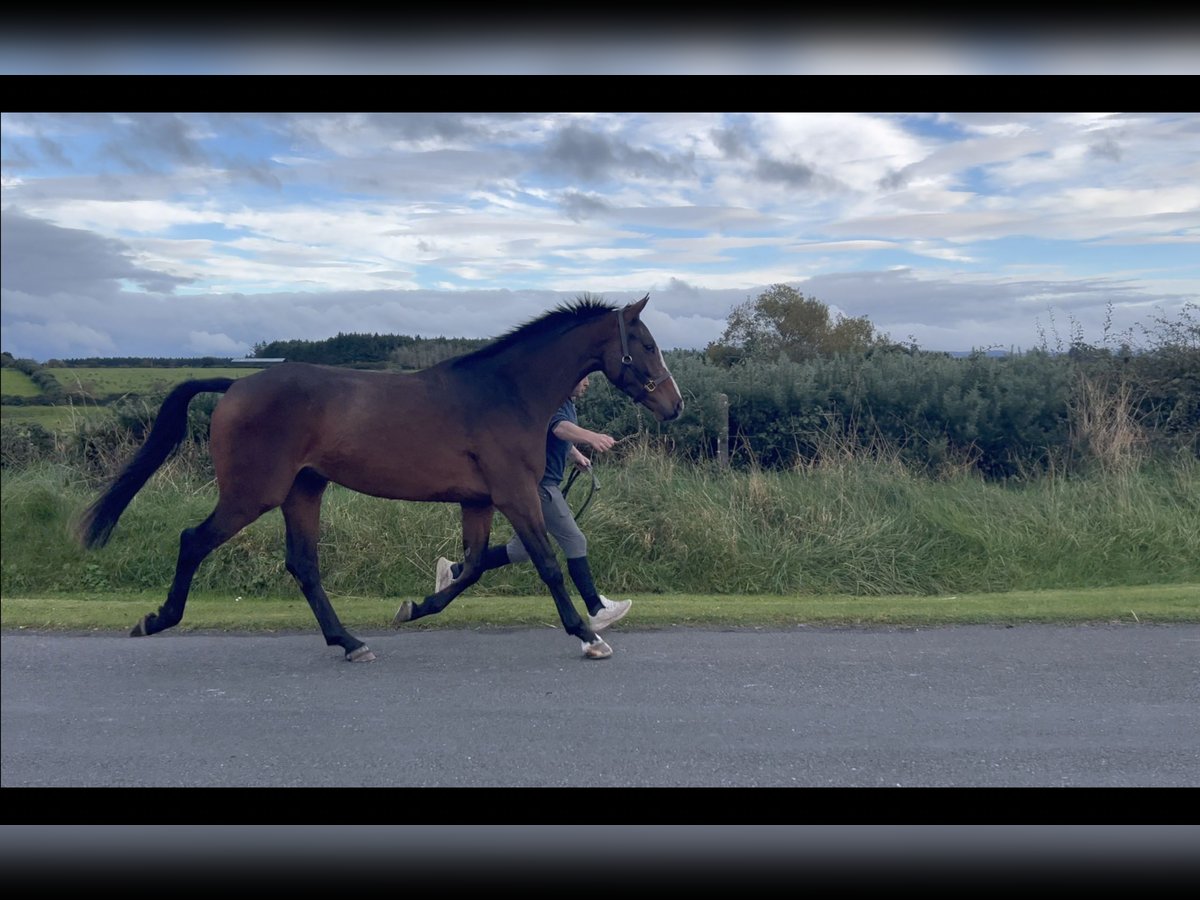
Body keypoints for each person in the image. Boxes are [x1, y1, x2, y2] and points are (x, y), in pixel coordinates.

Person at [434, 375, 631, 631]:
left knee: (520, 551)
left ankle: (454, 571)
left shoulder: (566, 403)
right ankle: (596, 608)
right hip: (540, 487)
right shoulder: (555, 403)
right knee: (575, 540)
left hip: (538, 486)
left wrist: (576, 455)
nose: (587, 383)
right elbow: (559, 428)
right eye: (583, 378)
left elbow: (557, 436)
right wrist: (592, 437)